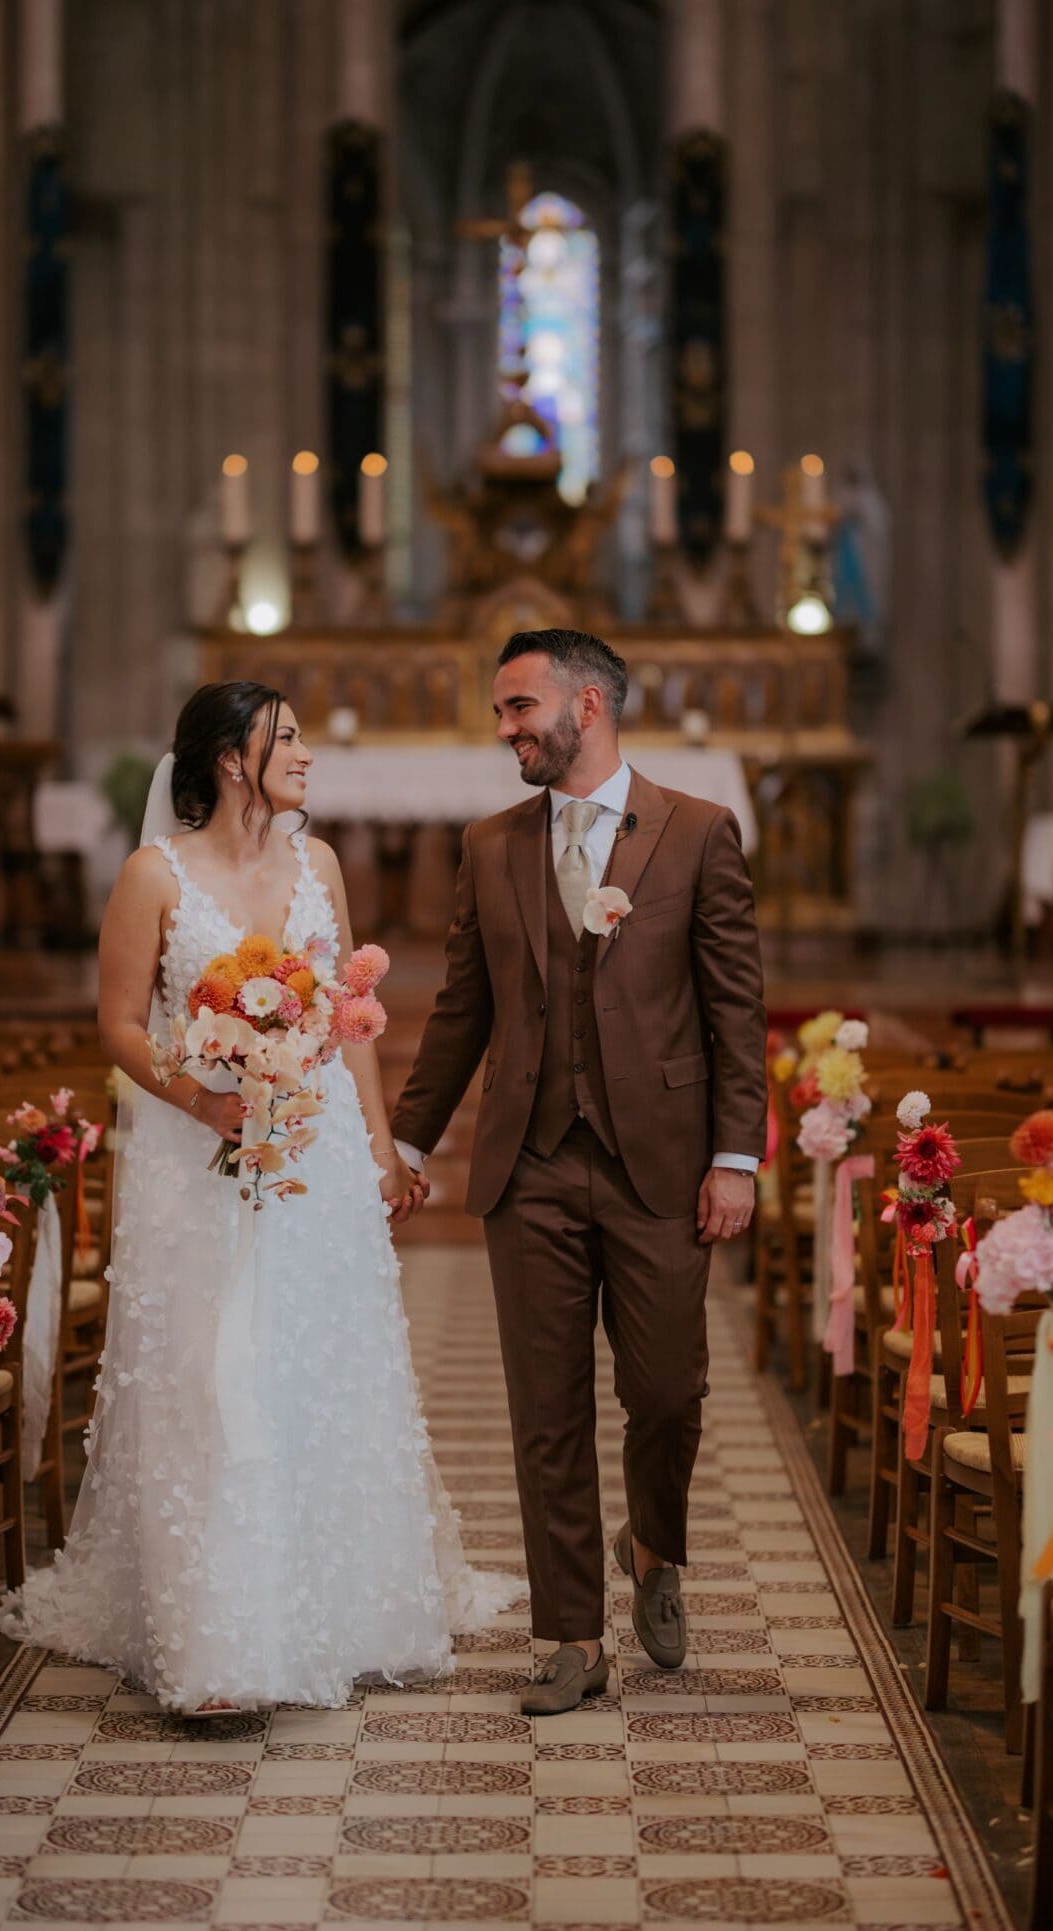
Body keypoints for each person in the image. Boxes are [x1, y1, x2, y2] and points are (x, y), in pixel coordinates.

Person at [0, 680, 521, 1710]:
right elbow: (118, 1022)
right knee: (212, 1366)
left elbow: (343, 1024)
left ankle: (334, 1600)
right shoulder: (154, 876)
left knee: (312, 1361)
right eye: (284, 737)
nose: (305, 753)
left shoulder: (316, 863)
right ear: (230, 758)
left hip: (313, 1155)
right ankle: (215, 1639)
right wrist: (199, 1096)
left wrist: (378, 1147)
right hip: (195, 1160)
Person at [392, 629, 767, 1716]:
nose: (503, 728)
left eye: (518, 708)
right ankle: (566, 1633)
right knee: (544, 1408)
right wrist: (409, 1141)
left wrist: (732, 1155)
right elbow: (463, 1006)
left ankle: (653, 1542)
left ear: (586, 704)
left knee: (665, 1390)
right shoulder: (488, 843)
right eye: (501, 712)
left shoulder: (697, 833)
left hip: (658, 1162)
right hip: (532, 1165)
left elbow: (732, 1011)